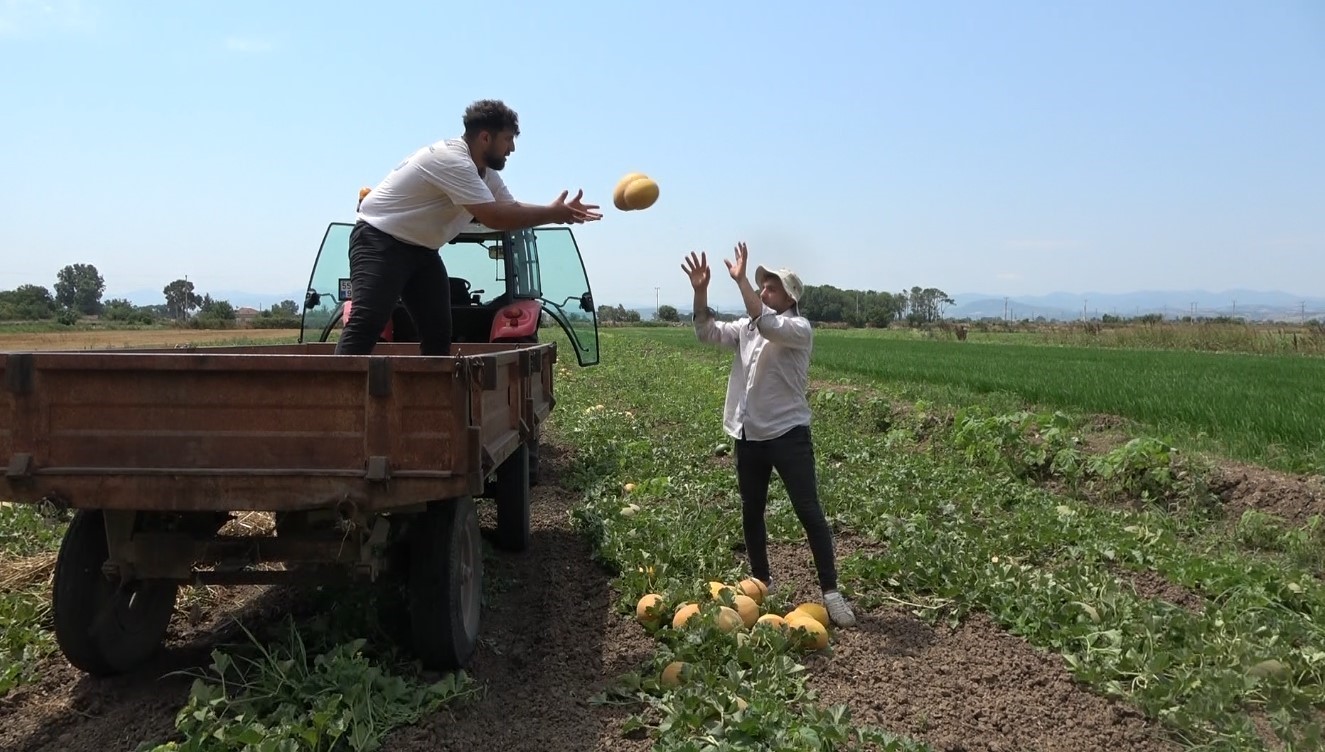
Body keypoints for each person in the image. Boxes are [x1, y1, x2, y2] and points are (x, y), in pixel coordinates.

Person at [335, 99, 602, 356]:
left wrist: (557, 212)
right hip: (380, 240)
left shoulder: (485, 173)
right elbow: (494, 217)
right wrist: (553, 214)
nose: (512, 149)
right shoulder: (452, 160)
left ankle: (433, 400)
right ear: (485, 138)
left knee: (438, 332)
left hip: (422, 250)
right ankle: (333, 399)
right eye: (508, 139)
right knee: (367, 321)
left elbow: (511, 210)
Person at [682, 242, 857, 627]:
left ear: (790, 296)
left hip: (788, 434)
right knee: (752, 510)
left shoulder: (797, 328)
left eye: (770, 287)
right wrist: (700, 291)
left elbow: (766, 322)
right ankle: (761, 582)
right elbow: (707, 333)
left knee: (809, 511)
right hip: (748, 434)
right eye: (761, 287)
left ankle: (831, 593)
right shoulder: (747, 327)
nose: (763, 292)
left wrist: (741, 280)